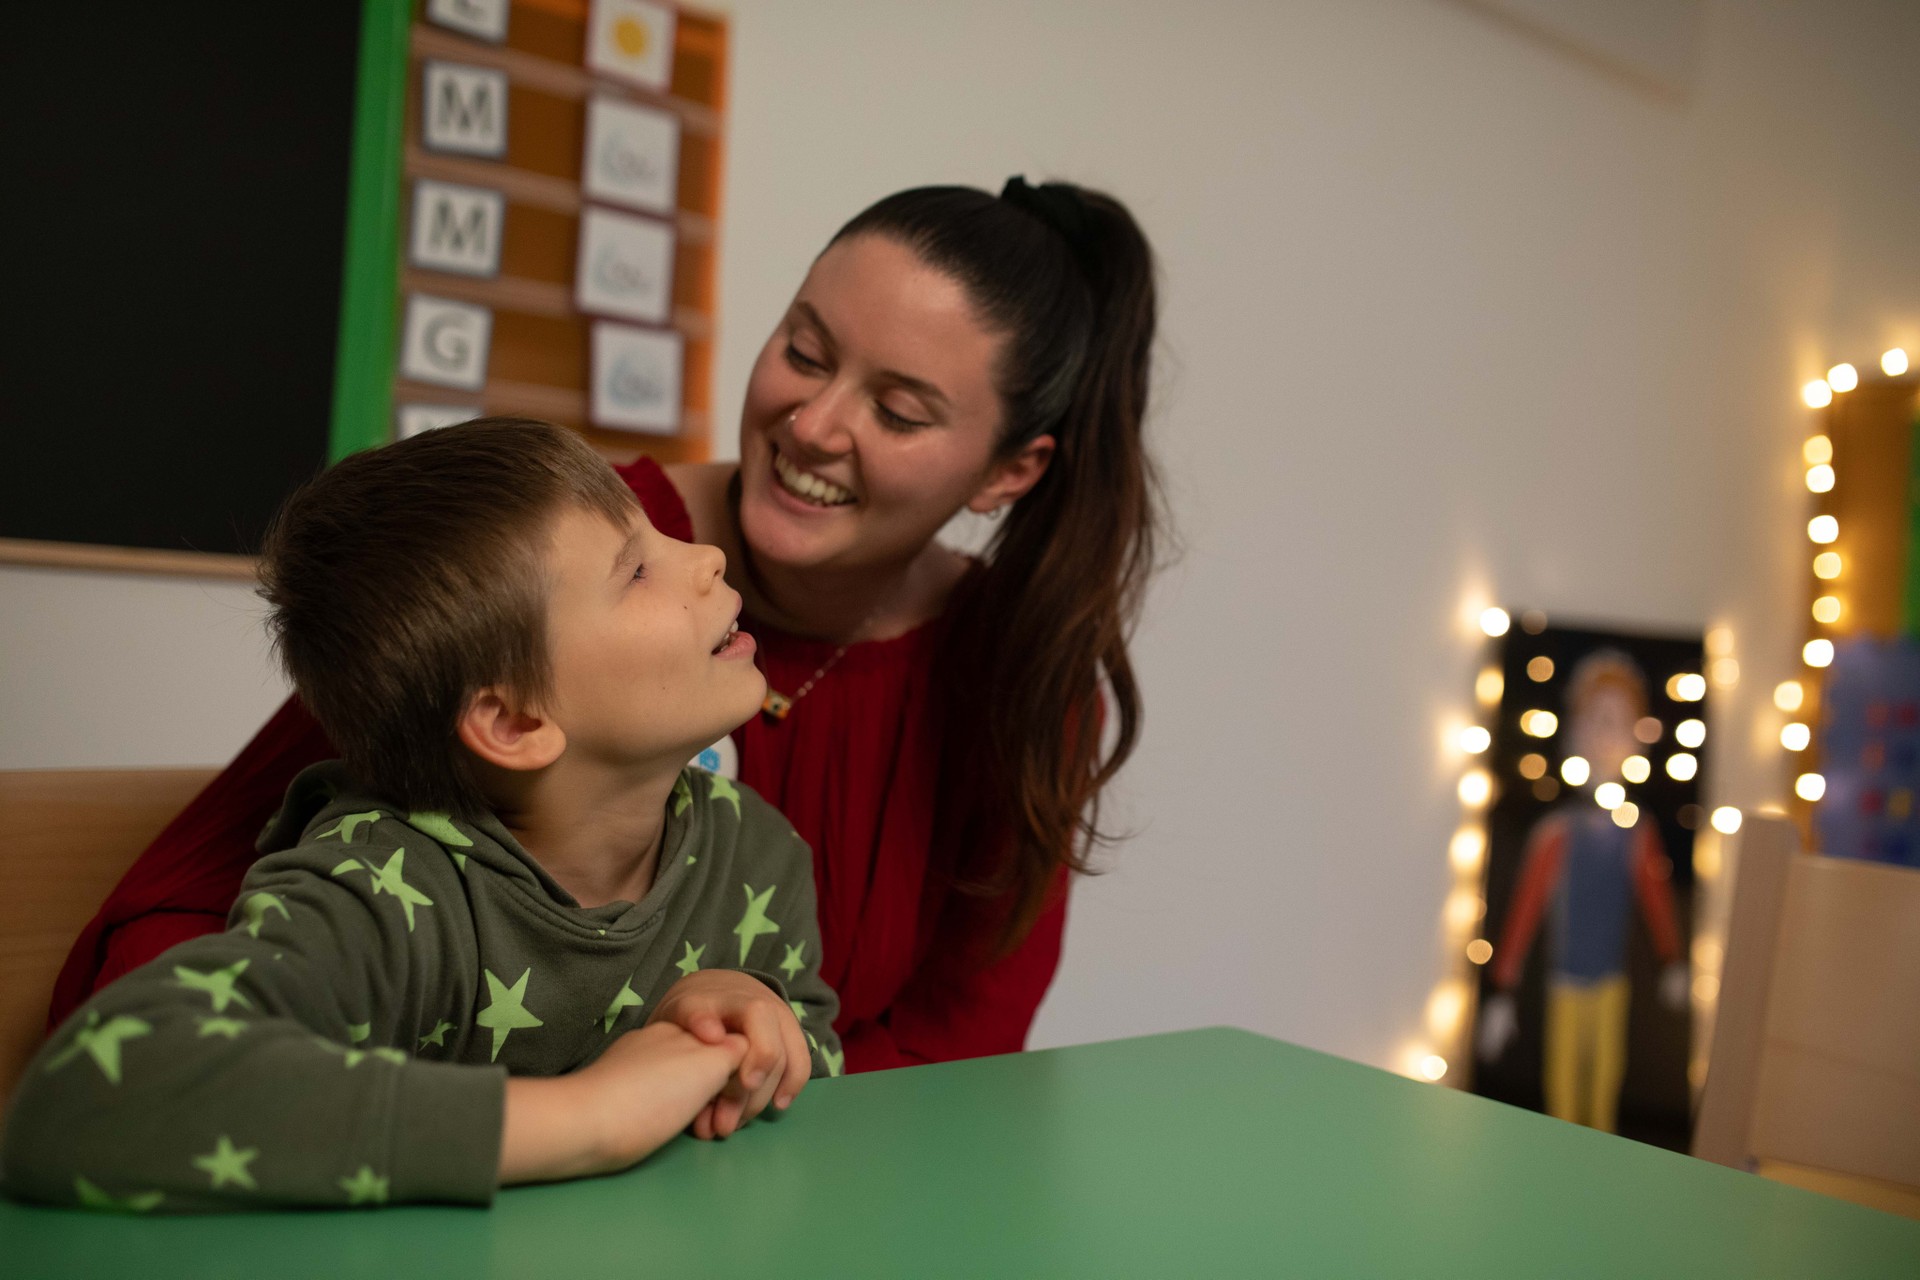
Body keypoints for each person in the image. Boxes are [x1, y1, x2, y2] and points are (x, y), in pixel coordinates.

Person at [50, 177, 1163, 1074]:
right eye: (806, 351)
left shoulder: (1022, 684)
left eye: (899, 409)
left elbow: (953, 1059)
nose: (814, 424)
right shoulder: (553, 568)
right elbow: (179, 917)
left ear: (1009, 471)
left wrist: (728, 1087)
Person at [5, 420, 839, 1210]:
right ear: (515, 722)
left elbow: (826, 1081)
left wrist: (759, 1013)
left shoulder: (760, 858)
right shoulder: (383, 885)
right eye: (635, 571)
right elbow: (86, 1096)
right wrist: (593, 1117)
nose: (707, 557)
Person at [1475, 650, 1686, 1133]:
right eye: (1598, 720)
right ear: (1576, 731)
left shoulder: (1638, 831)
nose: (1608, 735)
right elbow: (1526, 910)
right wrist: (1501, 993)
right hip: (1564, 983)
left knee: (1606, 1085)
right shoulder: (1556, 833)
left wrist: (1672, 960)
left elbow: (1654, 898)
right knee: (1563, 1094)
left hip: (1612, 985)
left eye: (1619, 721)